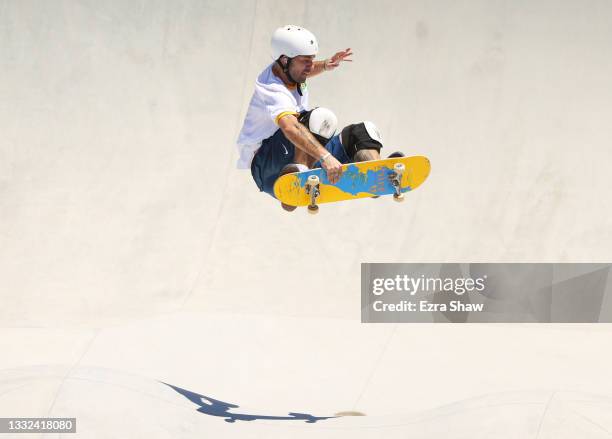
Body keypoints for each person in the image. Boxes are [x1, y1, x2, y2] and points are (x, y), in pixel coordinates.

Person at [236, 25, 396, 211]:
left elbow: (304, 70)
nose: (310, 66)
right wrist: (326, 157)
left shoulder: (290, 71)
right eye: (306, 61)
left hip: (291, 152)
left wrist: (326, 65)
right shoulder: (273, 89)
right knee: (321, 119)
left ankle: (374, 172)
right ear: (285, 60)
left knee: (362, 132)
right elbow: (290, 128)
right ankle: (299, 178)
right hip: (268, 166)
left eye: (312, 59)